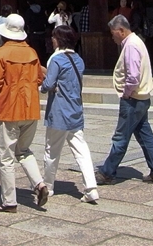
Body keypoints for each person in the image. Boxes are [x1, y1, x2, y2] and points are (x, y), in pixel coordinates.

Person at [0, 13, 48, 213]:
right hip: (30, 108)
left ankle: (9, 201)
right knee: (24, 150)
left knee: (6, 157)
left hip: (9, 109)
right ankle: (39, 184)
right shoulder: (32, 53)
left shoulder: (1, 53)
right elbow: (39, 79)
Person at [95, 15, 153, 186]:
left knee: (121, 137)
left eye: (113, 33)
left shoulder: (131, 45)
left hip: (133, 99)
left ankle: (107, 172)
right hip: (142, 98)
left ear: (121, 30)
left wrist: (127, 93)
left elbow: (133, 76)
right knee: (145, 136)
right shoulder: (136, 42)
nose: (112, 36)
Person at [41, 25, 99, 204]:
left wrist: (42, 86)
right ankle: (91, 187)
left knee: (52, 151)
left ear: (59, 40)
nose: (52, 39)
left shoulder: (56, 59)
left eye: (54, 37)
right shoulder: (79, 60)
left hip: (59, 111)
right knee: (81, 150)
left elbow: (47, 84)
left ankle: (48, 185)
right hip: (75, 110)